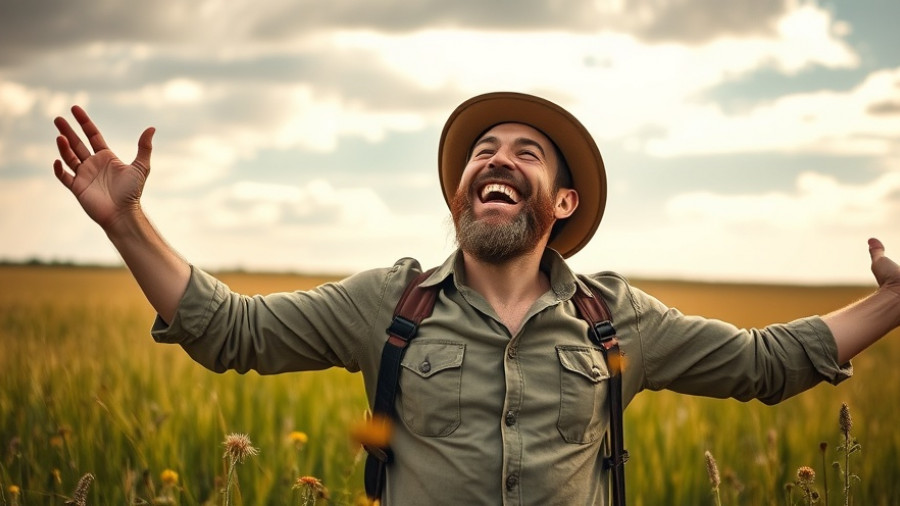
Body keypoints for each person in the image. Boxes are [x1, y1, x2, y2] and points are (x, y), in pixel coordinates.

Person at [52, 92, 900, 505]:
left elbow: (764, 363)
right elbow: (228, 330)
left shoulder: (617, 319)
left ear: (562, 204)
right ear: (462, 190)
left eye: (527, 152)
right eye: (483, 150)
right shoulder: (388, 303)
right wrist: (127, 223)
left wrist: (892, 305)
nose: (497, 158)